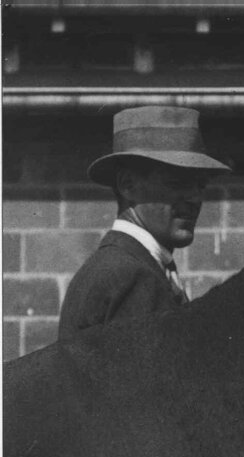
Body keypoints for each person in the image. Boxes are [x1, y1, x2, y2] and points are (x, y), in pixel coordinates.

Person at [58, 106, 230, 340]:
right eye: (178, 183)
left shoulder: (127, 266)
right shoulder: (131, 275)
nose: (195, 198)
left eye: (201, 185)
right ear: (128, 185)